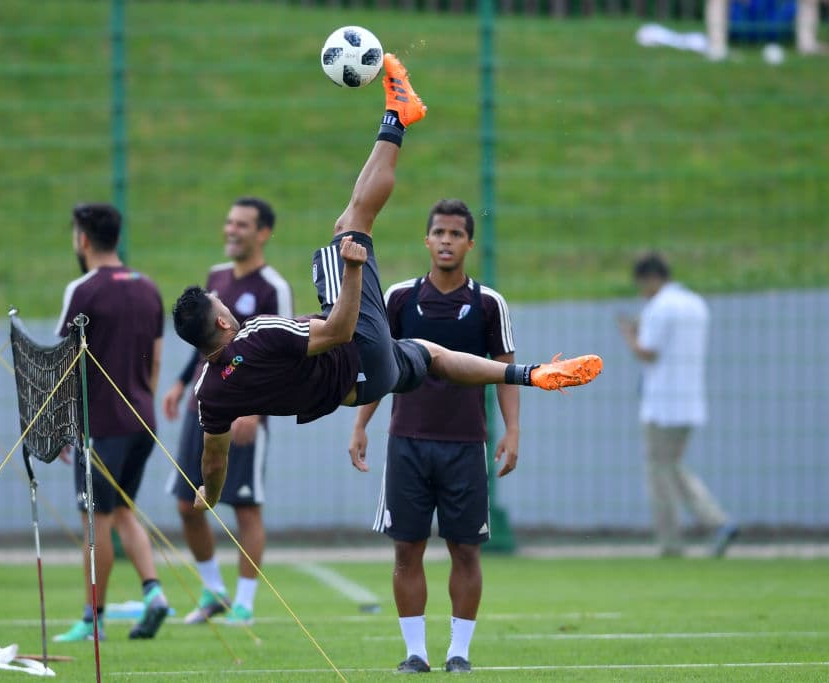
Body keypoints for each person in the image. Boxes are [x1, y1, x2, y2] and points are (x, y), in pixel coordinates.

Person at [171, 54, 603, 517]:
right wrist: (353, 269)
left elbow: (213, 458)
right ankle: (398, 113)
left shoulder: (209, 393)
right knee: (353, 221)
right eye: (223, 305)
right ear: (221, 319)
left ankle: (531, 374)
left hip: (365, 385)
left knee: (431, 353)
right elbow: (337, 331)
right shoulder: (258, 336)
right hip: (356, 348)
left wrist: (209, 495)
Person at [347, 198, 517, 674]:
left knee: (465, 549)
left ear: (469, 243)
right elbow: (381, 367)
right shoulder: (400, 298)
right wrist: (361, 424)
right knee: (407, 547)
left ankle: (459, 653)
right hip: (408, 442)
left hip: (466, 445)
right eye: (438, 232)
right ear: (426, 240)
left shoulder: (488, 303)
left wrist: (513, 432)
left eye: (456, 234)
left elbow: (505, 372)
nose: (446, 241)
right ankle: (415, 652)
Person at [162, 198, 292, 627]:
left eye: (242, 224)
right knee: (187, 502)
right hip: (207, 404)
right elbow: (203, 341)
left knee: (244, 507)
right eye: (229, 222)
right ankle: (213, 589)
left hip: (247, 411)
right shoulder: (216, 279)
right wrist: (182, 383)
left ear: (263, 233)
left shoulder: (273, 285)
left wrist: (253, 410)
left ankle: (246, 604)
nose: (231, 230)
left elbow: (287, 348)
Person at [52, 203, 170, 642]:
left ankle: (92, 618)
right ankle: (154, 593)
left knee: (95, 519)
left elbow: (63, 364)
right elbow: (155, 359)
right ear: (116, 238)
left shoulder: (83, 290)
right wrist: (144, 405)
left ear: (82, 239)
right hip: (144, 420)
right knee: (123, 511)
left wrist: (66, 425)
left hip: (102, 426)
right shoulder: (148, 288)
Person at [618, 252, 737, 558]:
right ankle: (716, 523)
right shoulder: (695, 303)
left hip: (661, 404)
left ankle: (674, 540)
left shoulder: (659, 308)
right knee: (671, 466)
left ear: (649, 279)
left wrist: (629, 335)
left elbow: (648, 352)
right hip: (690, 401)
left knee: (659, 472)